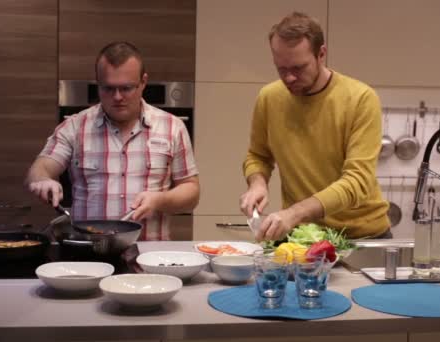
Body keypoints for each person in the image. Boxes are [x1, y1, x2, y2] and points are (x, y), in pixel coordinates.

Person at [26, 42, 199, 241]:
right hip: (89, 256)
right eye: (108, 88)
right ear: (98, 83)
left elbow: (192, 192)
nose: (117, 97)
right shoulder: (75, 126)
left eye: (126, 88)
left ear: (143, 82)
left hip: (150, 258)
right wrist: (42, 180)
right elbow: (40, 168)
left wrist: (161, 200)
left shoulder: (172, 127)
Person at [239, 12, 390, 241]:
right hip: (304, 236)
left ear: (321, 54)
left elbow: (357, 182)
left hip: (362, 236)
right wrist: (257, 184)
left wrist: (294, 213)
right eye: (281, 69)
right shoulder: (269, 98)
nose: (289, 78)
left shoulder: (360, 99)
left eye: (298, 68)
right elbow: (258, 155)